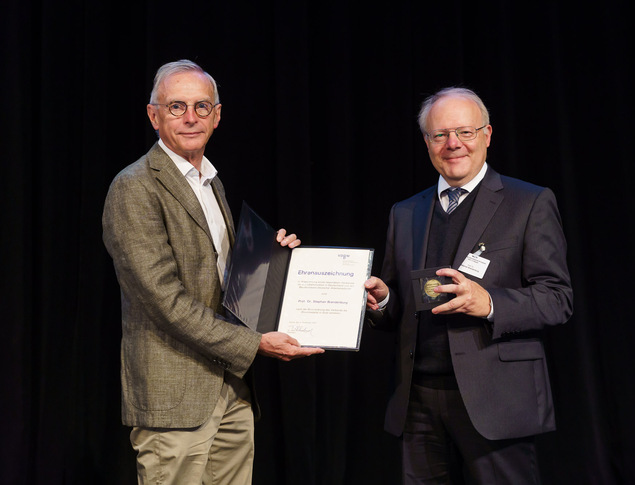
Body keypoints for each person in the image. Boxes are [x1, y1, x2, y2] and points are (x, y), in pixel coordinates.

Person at [102, 59, 324, 485]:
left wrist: (269, 264)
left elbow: (220, 282)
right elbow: (165, 302)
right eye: (176, 107)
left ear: (217, 116)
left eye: (202, 107)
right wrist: (254, 343)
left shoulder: (209, 181)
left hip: (232, 390)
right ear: (154, 116)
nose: (190, 118)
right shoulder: (135, 187)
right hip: (176, 398)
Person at [364, 87, 573, 484]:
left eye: (465, 132)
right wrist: (384, 300)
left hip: (496, 401)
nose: (453, 144)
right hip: (419, 400)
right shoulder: (405, 211)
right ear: (427, 142)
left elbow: (557, 299)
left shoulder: (528, 202)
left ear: (487, 134)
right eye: (440, 135)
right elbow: (398, 305)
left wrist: (489, 302)